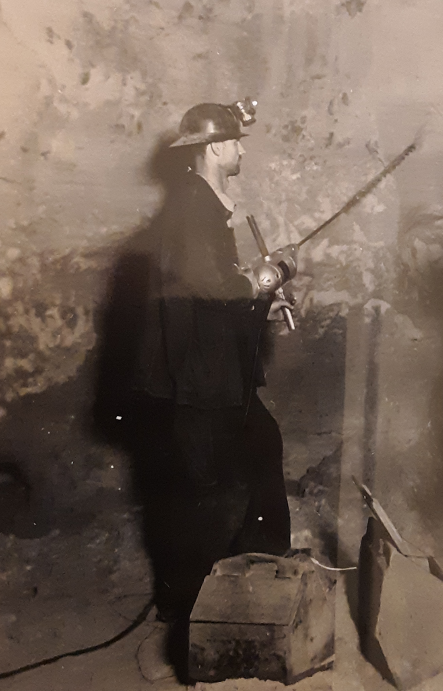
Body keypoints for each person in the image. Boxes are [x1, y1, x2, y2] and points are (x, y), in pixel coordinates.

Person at [133, 102, 297, 628]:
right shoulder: (192, 208)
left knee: (262, 448)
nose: (243, 150)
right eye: (236, 142)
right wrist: (277, 271)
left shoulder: (203, 205)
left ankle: (264, 572)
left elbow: (212, 293)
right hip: (201, 380)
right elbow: (216, 287)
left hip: (219, 372)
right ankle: (186, 616)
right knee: (203, 495)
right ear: (215, 149)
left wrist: (262, 303)